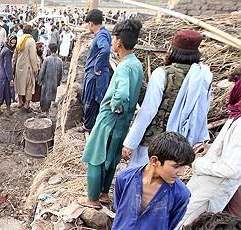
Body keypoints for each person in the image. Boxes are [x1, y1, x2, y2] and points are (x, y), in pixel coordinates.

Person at [159, 67, 241, 230]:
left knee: (186, 224)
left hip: (214, 186)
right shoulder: (236, 117)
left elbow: (232, 169)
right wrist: (211, 149)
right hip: (208, 182)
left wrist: (200, 163)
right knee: (185, 220)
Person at [122, 30, 212, 168]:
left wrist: (130, 143)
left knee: (143, 178)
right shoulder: (203, 76)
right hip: (180, 144)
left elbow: (148, 111)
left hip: (153, 143)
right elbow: (202, 111)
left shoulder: (162, 73)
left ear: (173, 49)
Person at [80, 19, 143, 209]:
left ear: (119, 42)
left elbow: (122, 93)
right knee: (111, 158)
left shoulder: (124, 67)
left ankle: (92, 199)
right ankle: (104, 194)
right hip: (122, 122)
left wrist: (116, 106)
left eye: (114, 38)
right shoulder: (136, 64)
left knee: (95, 157)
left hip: (109, 119)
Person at [77, 9, 111, 133]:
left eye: (88, 24)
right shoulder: (105, 33)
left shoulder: (101, 35)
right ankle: (94, 125)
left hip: (95, 74)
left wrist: (97, 67)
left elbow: (105, 50)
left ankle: (88, 126)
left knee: (90, 100)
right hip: (99, 74)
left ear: (91, 23)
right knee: (96, 100)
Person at [13, 23, 40, 113]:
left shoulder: (20, 39)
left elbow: (15, 55)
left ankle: (20, 102)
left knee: (20, 84)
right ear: (31, 32)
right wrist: (35, 69)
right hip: (28, 68)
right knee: (29, 86)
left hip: (19, 66)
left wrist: (14, 65)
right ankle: (26, 105)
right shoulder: (31, 41)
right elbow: (32, 57)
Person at [0, 34, 17, 117]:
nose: (13, 45)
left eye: (14, 43)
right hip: (5, 75)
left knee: (0, 92)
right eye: (12, 43)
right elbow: (7, 66)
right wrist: (11, 78)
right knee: (7, 92)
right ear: (9, 41)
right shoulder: (8, 51)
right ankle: (8, 110)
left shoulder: (3, 48)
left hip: (0, 74)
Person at [38, 43, 63, 113]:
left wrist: (39, 80)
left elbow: (42, 71)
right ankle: (49, 110)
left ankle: (44, 110)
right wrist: (58, 82)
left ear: (49, 50)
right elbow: (61, 73)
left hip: (46, 81)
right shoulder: (60, 61)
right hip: (54, 82)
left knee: (44, 95)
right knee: (52, 96)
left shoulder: (46, 59)